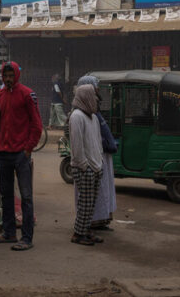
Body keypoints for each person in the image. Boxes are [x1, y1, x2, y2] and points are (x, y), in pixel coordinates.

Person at [0, 61, 41, 251]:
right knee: (6, 195)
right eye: (5, 76)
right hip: (3, 153)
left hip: (21, 154)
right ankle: (9, 233)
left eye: (11, 76)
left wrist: (28, 149)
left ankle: (27, 238)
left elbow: (36, 125)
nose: (8, 79)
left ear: (17, 75)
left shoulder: (27, 94)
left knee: (26, 196)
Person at [77, 76, 117, 232]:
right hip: (90, 161)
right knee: (91, 195)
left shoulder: (94, 111)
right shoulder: (79, 115)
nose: (98, 90)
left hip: (100, 157)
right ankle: (90, 223)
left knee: (103, 189)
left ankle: (101, 220)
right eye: (95, 87)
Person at [68, 84, 104, 246]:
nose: (96, 99)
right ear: (86, 97)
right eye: (94, 96)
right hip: (84, 167)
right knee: (84, 203)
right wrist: (84, 166)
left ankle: (86, 230)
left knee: (91, 203)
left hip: (95, 166)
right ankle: (78, 234)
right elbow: (76, 146)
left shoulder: (93, 117)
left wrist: (99, 162)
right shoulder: (76, 116)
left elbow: (97, 141)